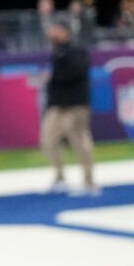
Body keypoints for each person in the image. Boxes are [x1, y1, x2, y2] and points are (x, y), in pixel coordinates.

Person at [39, 18, 98, 196]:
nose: (51, 33)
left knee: (79, 141)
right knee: (48, 140)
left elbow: (76, 73)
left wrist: (52, 78)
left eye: (55, 29)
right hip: (57, 105)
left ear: (65, 32)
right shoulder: (57, 52)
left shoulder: (76, 51)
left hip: (75, 104)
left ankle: (89, 183)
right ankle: (60, 178)